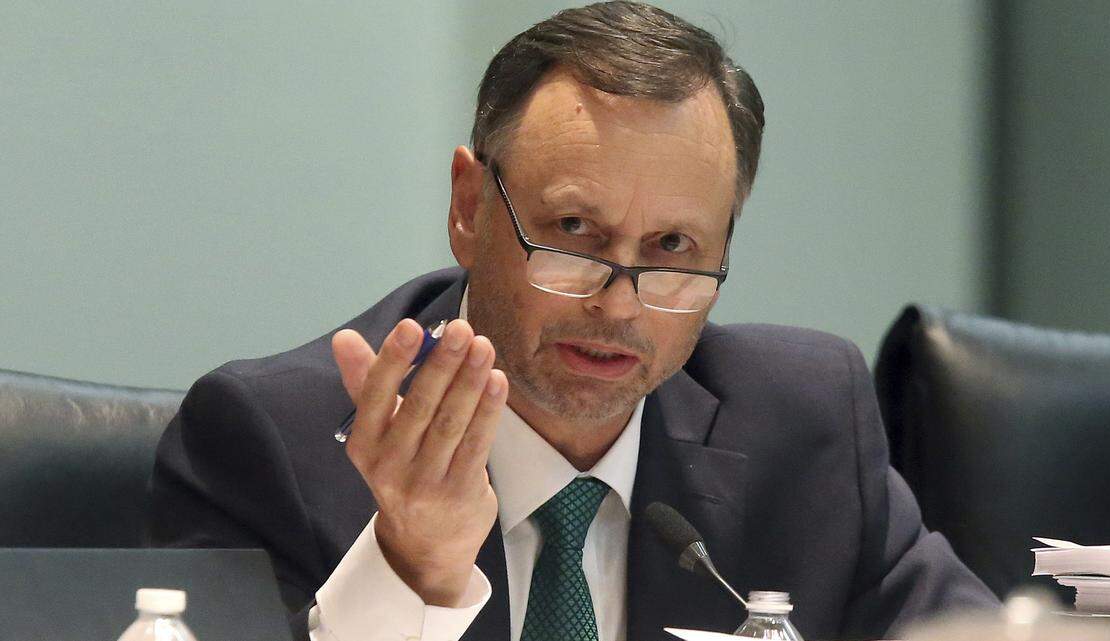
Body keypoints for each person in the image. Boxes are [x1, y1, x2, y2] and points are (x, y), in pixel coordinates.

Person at [148, 3, 998, 640]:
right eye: (573, 233)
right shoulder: (272, 445)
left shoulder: (804, 424)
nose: (619, 302)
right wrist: (415, 569)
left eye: (672, 246)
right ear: (470, 205)